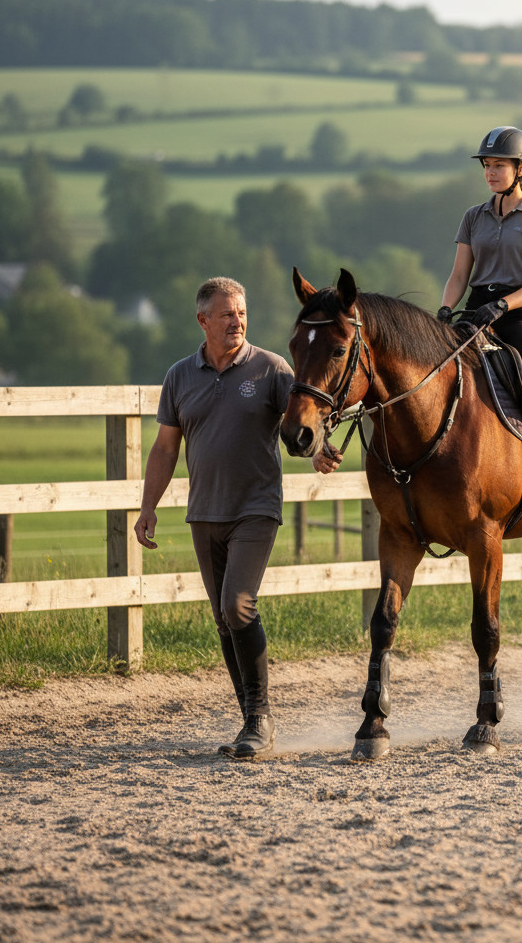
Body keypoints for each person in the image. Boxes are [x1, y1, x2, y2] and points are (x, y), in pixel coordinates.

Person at [133, 276, 336, 761]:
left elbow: (306, 411)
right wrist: (147, 506)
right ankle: (251, 719)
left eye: (241, 313)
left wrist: (318, 450)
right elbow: (165, 448)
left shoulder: (270, 369)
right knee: (223, 619)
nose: (237, 321)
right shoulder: (180, 376)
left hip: (255, 508)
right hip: (204, 513)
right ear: (203, 320)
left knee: (238, 604)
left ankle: (260, 719)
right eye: (226, 314)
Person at [437, 126, 522, 502]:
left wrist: (503, 304)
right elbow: (459, 275)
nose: (491, 173)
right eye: (487, 166)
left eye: (499, 165)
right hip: (476, 308)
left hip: (518, 312)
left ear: (521, 169)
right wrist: (446, 309)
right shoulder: (473, 216)